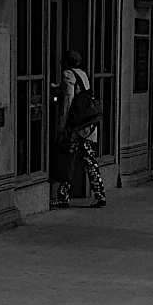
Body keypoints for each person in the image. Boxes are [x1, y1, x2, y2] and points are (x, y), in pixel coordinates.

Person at [53, 50, 99, 206]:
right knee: (90, 160)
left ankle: (63, 196)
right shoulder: (83, 74)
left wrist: (61, 127)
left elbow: (68, 100)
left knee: (67, 159)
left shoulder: (68, 74)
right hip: (88, 124)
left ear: (66, 62)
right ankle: (100, 194)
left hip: (75, 127)